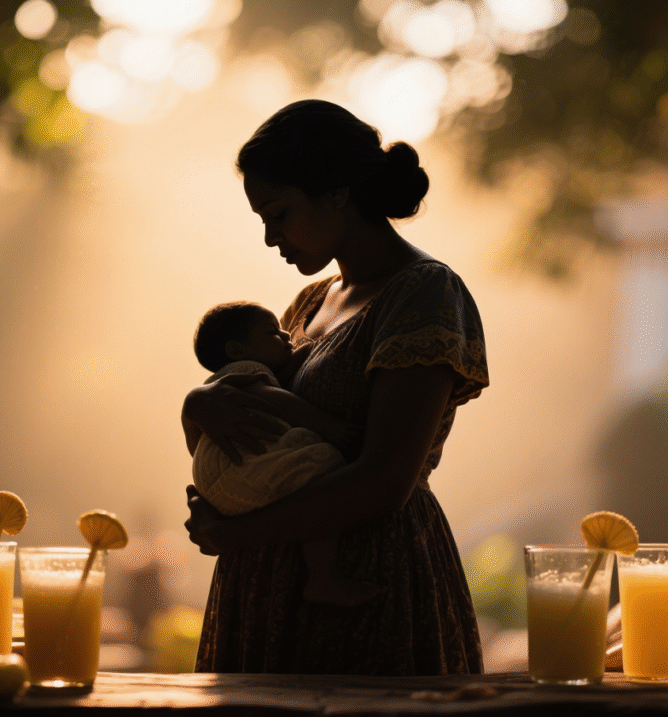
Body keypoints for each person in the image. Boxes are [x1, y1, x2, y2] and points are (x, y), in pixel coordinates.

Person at [181, 99, 489, 675]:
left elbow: (385, 480)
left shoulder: (423, 295)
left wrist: (237, 533)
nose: (272, 238)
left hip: (370, 576)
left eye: (280, 213)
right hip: (261, 578)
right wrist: (198, 402)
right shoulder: (308, 303)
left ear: (339, 192)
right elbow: (254, 429)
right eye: (263, 220)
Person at [190, 300, 380, 606]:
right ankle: (322, 577)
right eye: (272, 333)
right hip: (241, 468)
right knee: (323, 466)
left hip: (221, 477)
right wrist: (326, 425)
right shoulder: (245, 374)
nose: (286, 336)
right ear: (237, 351)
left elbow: (285, 378)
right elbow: (277, 399)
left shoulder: (229, 378)